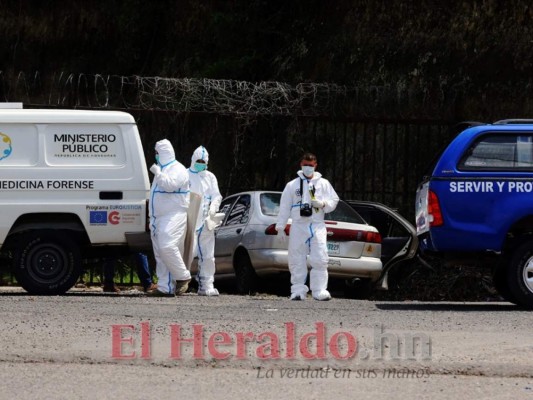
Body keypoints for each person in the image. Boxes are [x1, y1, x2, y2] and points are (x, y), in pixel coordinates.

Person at [275, 152, 339, 301]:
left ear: (315, 166)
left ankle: (319, 290)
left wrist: (323, 204)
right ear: (301, 165)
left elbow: (334, 200)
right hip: (299, 225)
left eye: (311, 165)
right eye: (305, 165)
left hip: (317, 225)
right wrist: (280, 226)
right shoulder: (292, 185)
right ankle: (298, 290)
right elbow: (284, 206)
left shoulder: (323, 184)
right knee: (297, 257)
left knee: (321, 256)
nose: (308, 168)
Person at [146, 139, 191, 297]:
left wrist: (157, 173)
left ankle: (183, 276)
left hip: (173, 214)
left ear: (163, 153)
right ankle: (165, 287)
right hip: (158, 217)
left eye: (157, 153)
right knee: (160, 253)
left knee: (167, 246)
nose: (156, 156)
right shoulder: (163, 168)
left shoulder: (177, 169)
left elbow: (170, 185)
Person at [187, 146, 223, 296]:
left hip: (207, 221)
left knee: (208, 255)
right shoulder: (185, 175)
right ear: (193, 159)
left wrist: (213, 208)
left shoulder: (210, 177)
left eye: (203, 161)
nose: (201, 163)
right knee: (187, 253)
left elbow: (216, 195)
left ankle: (206, 285)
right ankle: (178, 282)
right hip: (190, 221)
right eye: (198, 161)